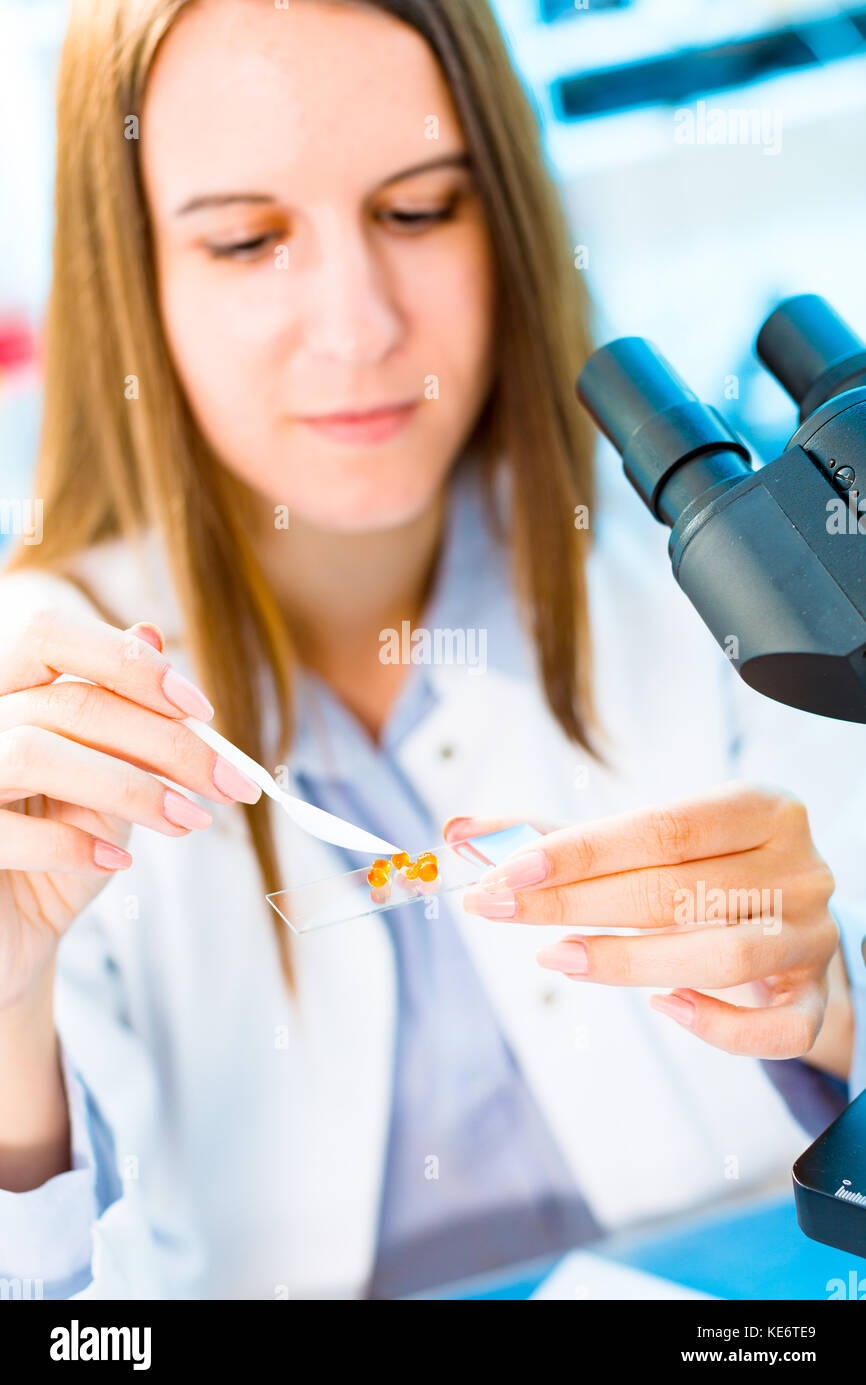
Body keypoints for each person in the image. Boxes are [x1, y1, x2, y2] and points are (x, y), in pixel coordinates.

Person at [0, 0, 863, 1300]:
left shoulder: (717, 584)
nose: (356, 327)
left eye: (417, 211)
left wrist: (835, 1002)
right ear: (135, 278)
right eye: (246, 239)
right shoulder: (43, 706)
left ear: (507, 219)